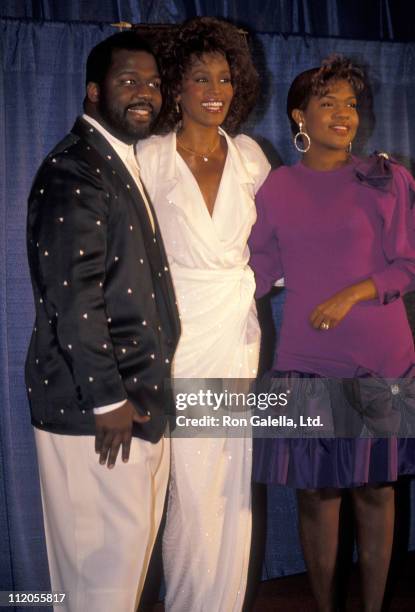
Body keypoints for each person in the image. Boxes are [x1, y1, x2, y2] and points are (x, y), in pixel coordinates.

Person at [249, 55, 415, 612]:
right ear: (300, 115)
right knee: (316, 495)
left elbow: (408, 265)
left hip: (380, 359)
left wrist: (351, 294)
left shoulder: (388, 177)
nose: (344, 113)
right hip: (305, 358)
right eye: (328, 103)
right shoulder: (276, 187)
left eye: (350, 103)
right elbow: (257, 266)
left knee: (374, 489)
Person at [25, 32, 180, 612]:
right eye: (128, 81)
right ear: (93, 90)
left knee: (118, 569)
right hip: (97, 409)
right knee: (101, 576)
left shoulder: (113, 160)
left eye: (153, 83)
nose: (145, 93)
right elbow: (73, 298)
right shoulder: (74, 170)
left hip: (131, 401)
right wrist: (107, 400)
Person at [136, 16, 270, 612]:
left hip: (235, 333)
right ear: (176, 85)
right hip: (172, 333)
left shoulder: (250, 157)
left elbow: (278, 247)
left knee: (224, 484)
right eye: (199, 78)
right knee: (180, 484)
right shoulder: (148, 157)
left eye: (224, 77)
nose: (215, 90)